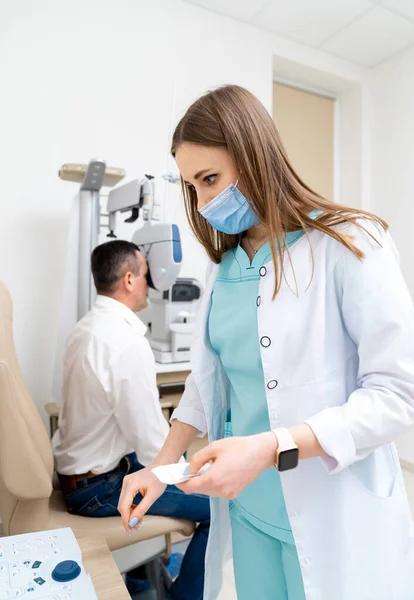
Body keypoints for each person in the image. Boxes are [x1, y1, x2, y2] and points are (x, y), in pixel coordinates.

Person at [117, 85, 414, 600]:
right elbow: (208, 381)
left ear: (255, 156)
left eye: (211, 179)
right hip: (250, 508)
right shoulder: (226, 267)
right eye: (193, 187)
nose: (205, 202)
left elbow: (397, 393)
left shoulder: (351, 242)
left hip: (331, 509)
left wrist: (272, 446)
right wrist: (161, 468)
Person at [52, 240, 210, 600]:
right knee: (221, 507)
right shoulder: (124, 341)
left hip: (82, 475)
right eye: (145, 273)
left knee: (139, 466)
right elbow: (152, 440)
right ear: (128, 279)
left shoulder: (85, 328)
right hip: (97, 490)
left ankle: (141, 586)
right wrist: (190, 477)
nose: (150, 283)